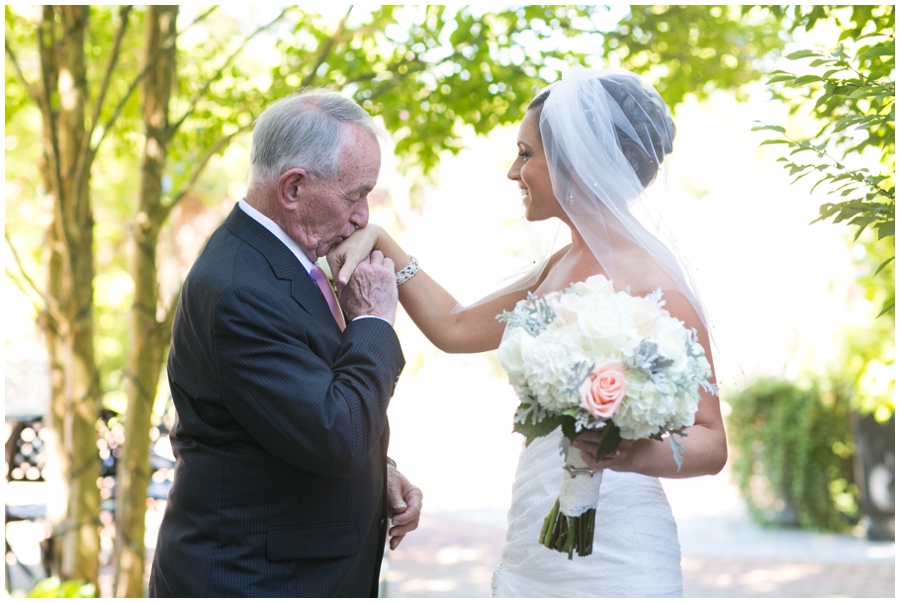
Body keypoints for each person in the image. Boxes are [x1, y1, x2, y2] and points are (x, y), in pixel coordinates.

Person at [328, 67, 727, 597]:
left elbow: (712, 440)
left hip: (617, 547)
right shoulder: (559, 264)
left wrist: (630, 452)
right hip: (534, 533)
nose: (513, 172)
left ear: (575, 163)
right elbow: (455, 327)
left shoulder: (655, 281)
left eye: (526, 154)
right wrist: (383, 238)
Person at [148, 89, 423, 598]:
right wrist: (374, 322)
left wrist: (377, 468)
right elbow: (334, 434)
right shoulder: (241, 289)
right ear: (293, 188)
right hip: (253, 580)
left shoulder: (272, 260)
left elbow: (288, 413)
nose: (364, 218)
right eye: (354, 195)